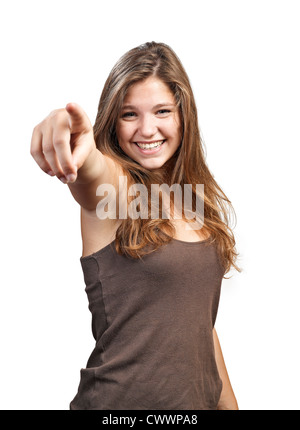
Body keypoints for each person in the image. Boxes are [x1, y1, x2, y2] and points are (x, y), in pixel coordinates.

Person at [30, 41, 240, 410]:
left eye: (162, 111)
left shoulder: (192, 199)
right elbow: (94, 172)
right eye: (129, 114)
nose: (147, 129)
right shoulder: (117, 193)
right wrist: (72, 135)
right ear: (112, 120)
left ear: (183, 116)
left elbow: (198, 323)